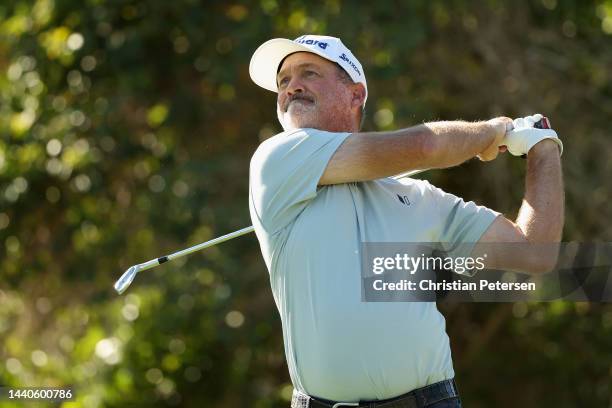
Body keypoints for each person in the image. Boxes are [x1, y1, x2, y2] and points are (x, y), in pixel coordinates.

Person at [247, 35, 564, 408]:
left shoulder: (419, 196)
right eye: (283, 81)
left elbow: (535, 252)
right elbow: (426, 147)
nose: (291, 86)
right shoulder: (277, 159)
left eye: (309, 73)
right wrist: (493, 131)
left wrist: (543, 146)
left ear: (355, 95)